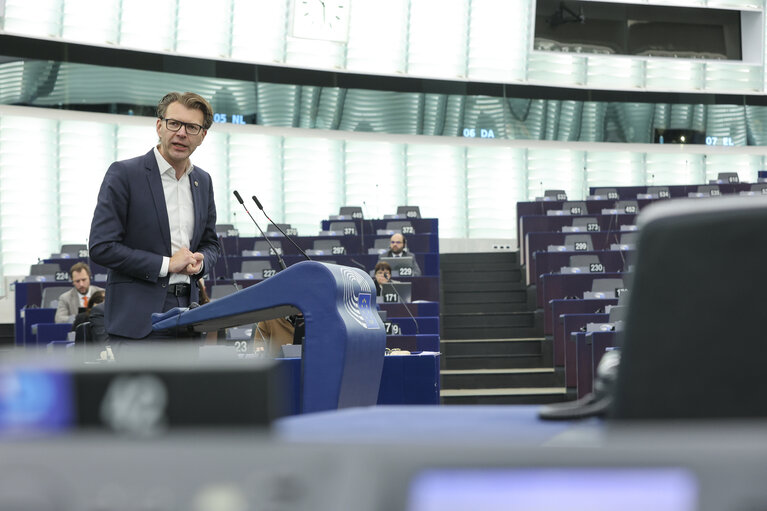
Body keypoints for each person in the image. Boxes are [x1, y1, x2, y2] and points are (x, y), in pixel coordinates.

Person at [88, 91, 220, 342]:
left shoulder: (203, 181)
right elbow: (101, 247)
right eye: (174, 123)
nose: (181, 133)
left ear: (202, 136)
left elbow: (211, 243)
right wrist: (166, 264)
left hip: (189, 315)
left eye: (192, 127)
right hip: (139, 321)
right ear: (159, 126)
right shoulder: (124, 174)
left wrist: (202, 262)